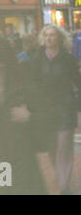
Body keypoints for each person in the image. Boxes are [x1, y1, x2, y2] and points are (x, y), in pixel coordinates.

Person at [0, 38, 47, 194]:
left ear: (1, 62)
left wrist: (29, 117)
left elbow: (49, 121)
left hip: (23, 164)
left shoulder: (24, 90)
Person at [30, 25, 81, 194]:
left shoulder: (68, 59)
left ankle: (64, 186)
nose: (49, 38)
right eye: (46, 35)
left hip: (65, 107)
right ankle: (60, 178)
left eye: (52, 35)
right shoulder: (38, 58)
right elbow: (33, 83)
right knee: (52, 148)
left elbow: (77, 81)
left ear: (59, 38)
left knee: (64, 147)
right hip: (46, 109)